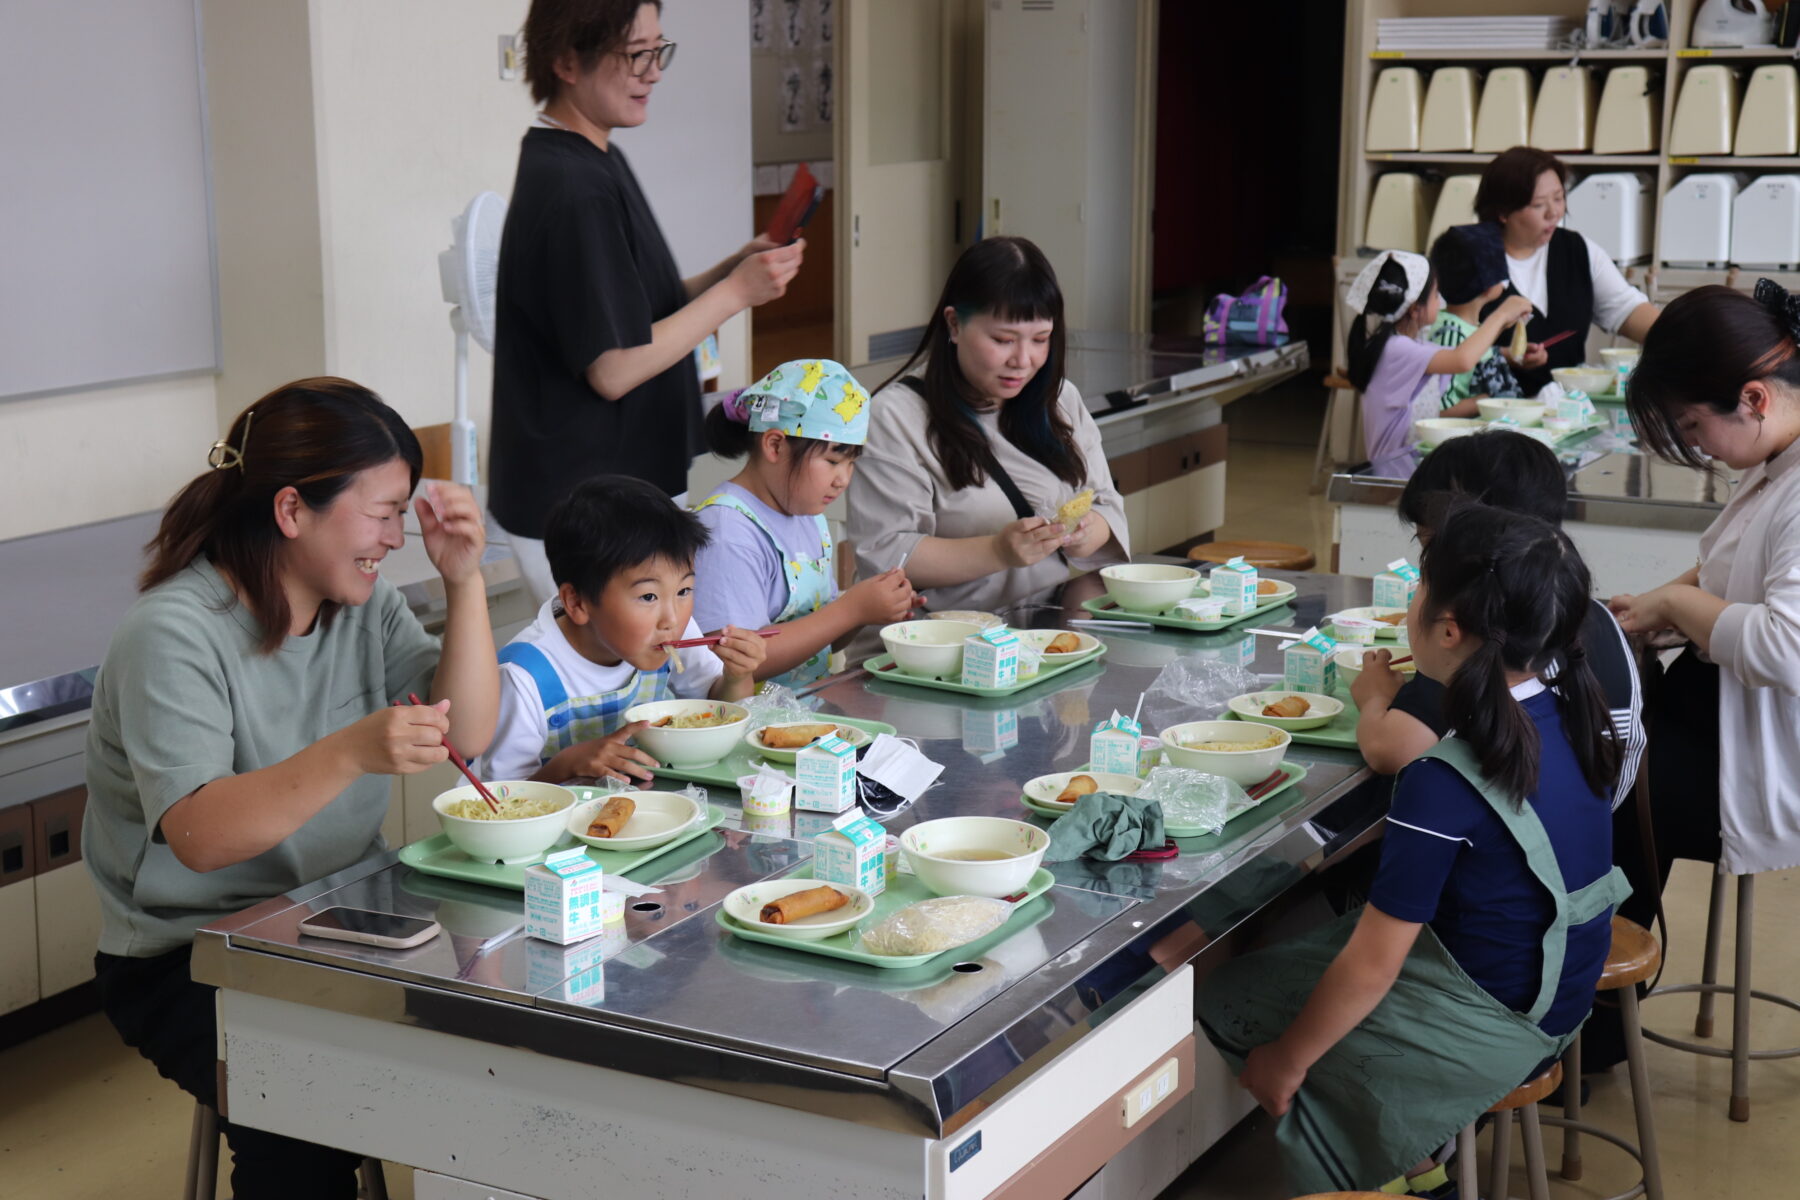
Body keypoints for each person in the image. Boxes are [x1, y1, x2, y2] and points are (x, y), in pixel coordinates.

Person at [83, 379, 499, 1199]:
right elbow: (200, 838)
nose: (392, 538)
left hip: (342, 916)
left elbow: (470, 736)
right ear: (290, 511)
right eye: (380, 513)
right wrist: (348, 753)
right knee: (309, 1118)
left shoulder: (362, 608)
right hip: (190, 951)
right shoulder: (173, 634)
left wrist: (465, 583)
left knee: (495, 1051)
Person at [1199, 502, 1628, 1196]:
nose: (1412, 603)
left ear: (1448, 629)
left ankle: (1376, 1178)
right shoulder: (1569, 709)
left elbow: (1372, 965)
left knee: (1230, 992)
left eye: (1419, 590)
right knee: (1316, 959)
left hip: (1500, 1020)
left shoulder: (1441, 779)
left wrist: (1285, 1060)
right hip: (1565, 989)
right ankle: (1415, 1166)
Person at [490, 0, 805, 606]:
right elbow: (613, 367)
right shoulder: (574, 187)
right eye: (635, 54)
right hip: (583, 505)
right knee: (624, 688)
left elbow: (639, 307)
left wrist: (731, 271)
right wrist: (737, 292)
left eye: (658, 51)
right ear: (565, 61)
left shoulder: (592, 156)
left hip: (607, 489)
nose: (653, 72)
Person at [1607, 280, 1800, 936]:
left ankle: (1600, 1017)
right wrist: (1658, 606)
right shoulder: (1774, 454)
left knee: (1595, 799)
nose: (1698, 448)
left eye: (1693, 426)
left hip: (1760, 756)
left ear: (1753, 399)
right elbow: (1735, 568)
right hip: (1715, 714)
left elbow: (1785, 646)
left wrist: (1675, 601)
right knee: (1592, 750)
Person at [1352, 429, 1645, 803]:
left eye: (1430, 551)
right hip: (1594, 830)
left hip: (1514, 842)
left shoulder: (1482, 635)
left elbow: (1389, 749)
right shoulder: (1591, 612)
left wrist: (1374, 697)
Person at [847, 236, 1128, 624]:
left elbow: (1106, 505)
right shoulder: (894, 416)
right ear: (954, 324)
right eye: (1003, 340)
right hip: (935, 646)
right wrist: (997, 551)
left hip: (1040, 634)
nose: (1023, 361)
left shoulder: (1059, 400)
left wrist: (1084, 532)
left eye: (1041, 339)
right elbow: (884, 552)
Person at [484, 475, 767, 785]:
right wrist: (567, 765)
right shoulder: (523, 676)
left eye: (685, 590)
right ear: (577, 602)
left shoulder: (669, 633)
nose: (672, 617)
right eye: (648, 596)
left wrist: (737, 676)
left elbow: (726, 711)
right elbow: (499, 802)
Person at [691, 359, 921, 688]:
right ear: (774, 445)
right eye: (832, 461)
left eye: (851, 463)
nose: (843, 479)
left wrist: (869, 609)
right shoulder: (726, 532)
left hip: (804, 715)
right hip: (747, 726)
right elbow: (731, 662)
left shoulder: (807, 517)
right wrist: (850, 610)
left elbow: (821, 641)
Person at [1469, 145, 1659, 394]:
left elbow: (1628, 310)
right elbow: (1442, 343)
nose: (1554, 213)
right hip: (1493, 415)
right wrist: (1503, 356)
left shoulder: (1577, 250)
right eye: (1539, 205)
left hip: (1568, 413)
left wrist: (1688, 337)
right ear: (1503, 211)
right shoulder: (1470, 256)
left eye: (1558, 198)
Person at [1345, 250, 1535, 478]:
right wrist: (1500, 315)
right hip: (1394, 474)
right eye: (1436, 295)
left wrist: (1505, 338)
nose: (1441, 301)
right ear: (1415, 309)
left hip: (1410, 469)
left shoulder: (1409, 344)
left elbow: (1458, 353)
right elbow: (1461, 360)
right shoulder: (1397, 349)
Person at [1424, 226, 1538, 410]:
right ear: (1488, 285)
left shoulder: (1467, 326)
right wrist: (1493, 400)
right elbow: (1439, 409)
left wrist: (1509, 355)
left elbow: (1474, 358)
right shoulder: (1450, 333)